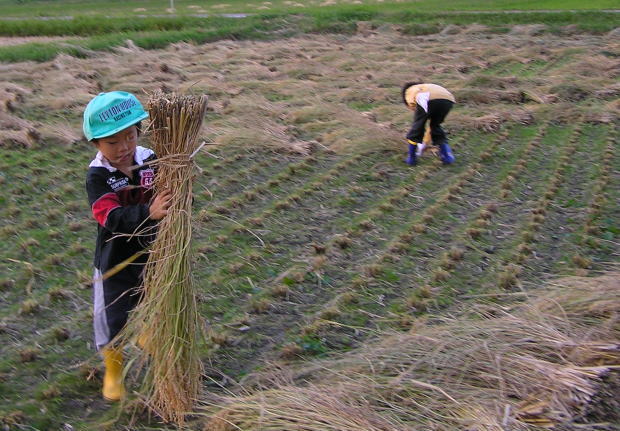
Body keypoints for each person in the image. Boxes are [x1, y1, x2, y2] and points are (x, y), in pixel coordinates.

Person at [83, 91, 171, 401]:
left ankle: (147, 333)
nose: (123, 148)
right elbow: (110, 217)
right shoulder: (98, 177)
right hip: (114, 261)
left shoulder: (150, 159)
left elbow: (169, 187)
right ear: (96, 144)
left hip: (154, 253)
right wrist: (149, 212)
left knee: (154, 299)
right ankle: (113, 371)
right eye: (112, 142)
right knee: (113, 316)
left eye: (130, 137)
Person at [401, 82, 456, 166]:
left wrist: (415, 111)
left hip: (427, 98)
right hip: (448, 100)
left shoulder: (408, 92)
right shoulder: (426, 86)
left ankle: (411, 159)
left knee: (416, 130)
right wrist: (424, 144)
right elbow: (429, 129)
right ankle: (447, 157)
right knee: (435, 127)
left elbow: (412, 105)